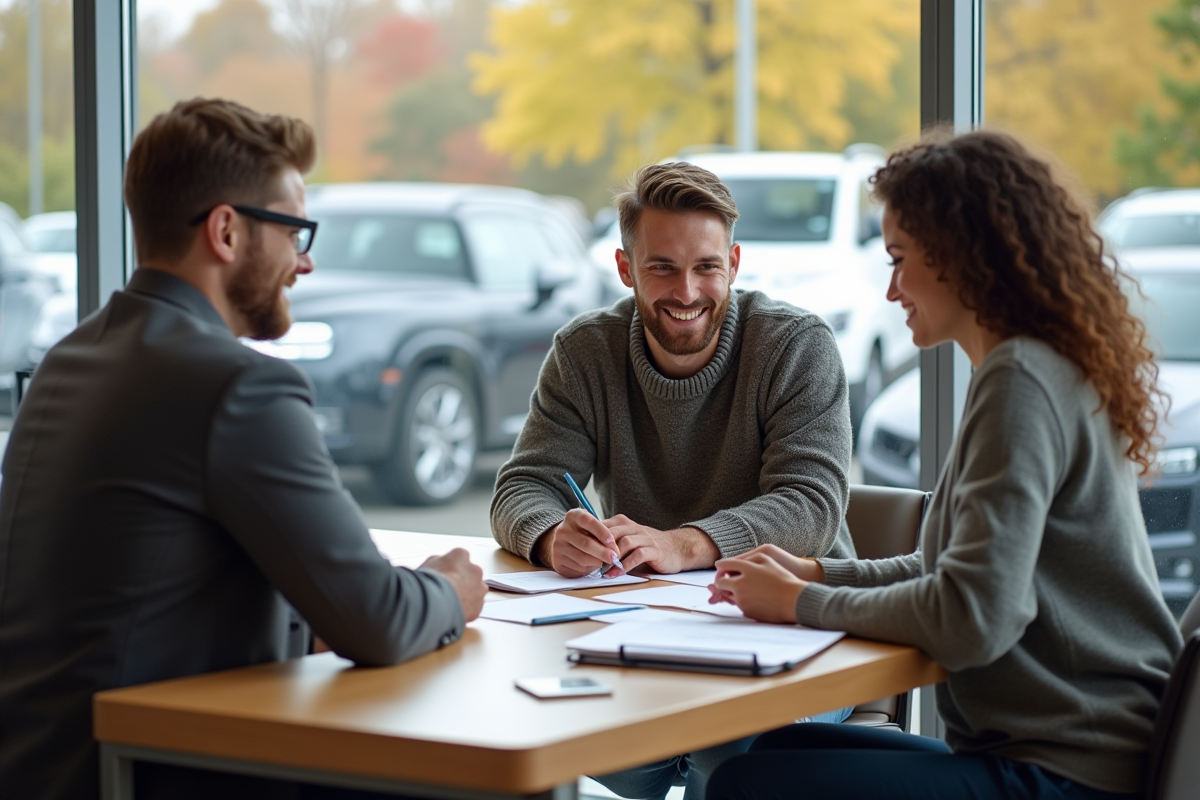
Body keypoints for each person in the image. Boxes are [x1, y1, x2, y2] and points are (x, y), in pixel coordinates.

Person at [0, 98, 487, 800]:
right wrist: (447, 589)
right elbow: (376, 621)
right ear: (226, 231)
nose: (305, 261)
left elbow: (146, 591)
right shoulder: (236, 386)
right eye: (295, 230)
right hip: (151, 774)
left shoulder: (71, 359)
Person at [706, 129, 1184, 800]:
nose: (893, 287)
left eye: (900, 258)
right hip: (1070, 750)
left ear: (961, 255)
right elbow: (955, 571)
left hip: (1071, 771)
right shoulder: (1032, 366)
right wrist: (816, 573)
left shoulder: (1021, 379)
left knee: (750, 784)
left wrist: (803, 603)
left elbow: (974, 616)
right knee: (775, 751)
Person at [490, 162, 857, 800]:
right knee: (542, 740)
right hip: (641, 638)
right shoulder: (585, 352)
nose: (686, 291)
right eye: (661, 267)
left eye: (706, 267)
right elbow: (523, 485)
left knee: (732, 766)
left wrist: (685, 543)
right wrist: (551, 535)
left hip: (793, 635)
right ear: (626, 267)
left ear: (734, 264)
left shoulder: (797, 346)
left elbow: (813, 507)